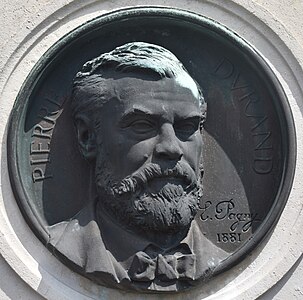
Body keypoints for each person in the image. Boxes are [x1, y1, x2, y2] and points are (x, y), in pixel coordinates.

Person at [48, 42, 227, 292]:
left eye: (187, 127)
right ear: (87, 138)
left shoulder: (224, 260)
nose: (172, 148)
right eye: (142, 126)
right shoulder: (60, 246)